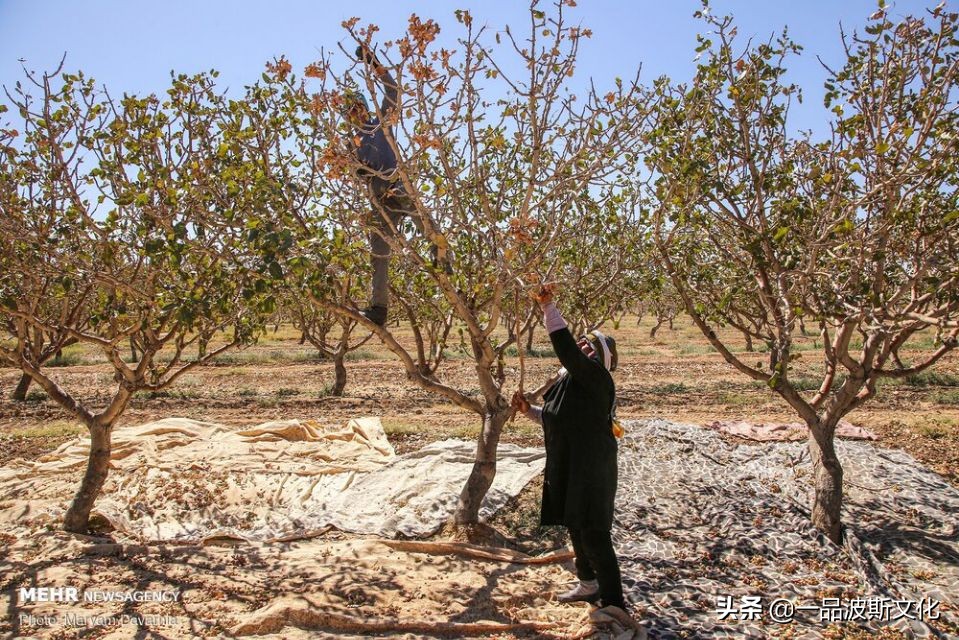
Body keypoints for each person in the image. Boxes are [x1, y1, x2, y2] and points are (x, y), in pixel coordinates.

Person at [511, 285, 641, 633]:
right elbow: (556, 417)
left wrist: (548, 306)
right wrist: (529, 410)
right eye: (582, 342)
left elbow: (566, 349)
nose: (581, 346)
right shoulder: (570, 383)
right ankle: (588, 583)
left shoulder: (597, 377)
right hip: (572, 464)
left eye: (588, 344)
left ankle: (614, 603)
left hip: (593, 470)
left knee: (595, 533)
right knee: (574, 524)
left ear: (597, 356)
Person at [344, 44, 425, 326]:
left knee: (426, 227)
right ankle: (379, 308)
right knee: (377, 250)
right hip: (380, 200)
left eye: (356, 108)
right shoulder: (350, 144)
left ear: (364, 108)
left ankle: (445, 263)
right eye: (349, 111)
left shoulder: (381, 124)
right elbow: (359, 175)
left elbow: (393, 91)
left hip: (398, 188)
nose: (354, 114)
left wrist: (373, 62)